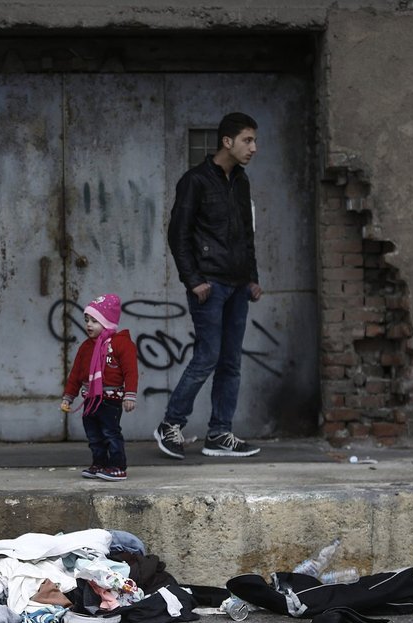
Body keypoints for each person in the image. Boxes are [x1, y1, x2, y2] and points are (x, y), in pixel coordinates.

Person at [154, 112, 264, 460]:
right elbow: (178, 234)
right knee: (207, 356)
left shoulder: (242, 182)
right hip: (210, 286)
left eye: (254, 141)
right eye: (248, 140)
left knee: (230, 361)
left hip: (237, 285)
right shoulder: (195, 181)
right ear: (227, 142)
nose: (254, 148)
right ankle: (170, 424)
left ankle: (219, 433)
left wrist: (252, 277)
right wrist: (194, 280)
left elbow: (247, 235)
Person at [61, 294, 139, 481]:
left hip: (110, 400)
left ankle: (118, 466)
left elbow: (131, 372)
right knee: (94, 435)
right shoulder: (86, 347)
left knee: (110, 433)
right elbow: (76, 374)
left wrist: (130, 395)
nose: (89, 325)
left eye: (95, 321)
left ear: (108, 321)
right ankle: (100, 463)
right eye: (87, 320)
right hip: (90, 400)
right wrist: (68, 396)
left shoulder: (122, 344)